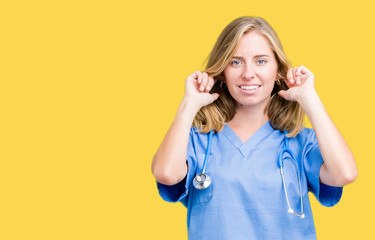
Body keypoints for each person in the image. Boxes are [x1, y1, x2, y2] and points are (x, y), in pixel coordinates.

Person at [151, 16, 357, 239]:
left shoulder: (300, 141)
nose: (248, 73)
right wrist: (189, 104)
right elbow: (166, 174)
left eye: (261, 61)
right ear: (222, 73)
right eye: (235, 62)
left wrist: (310, 99)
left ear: (278, 70)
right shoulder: (197, 139)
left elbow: (344, 174)